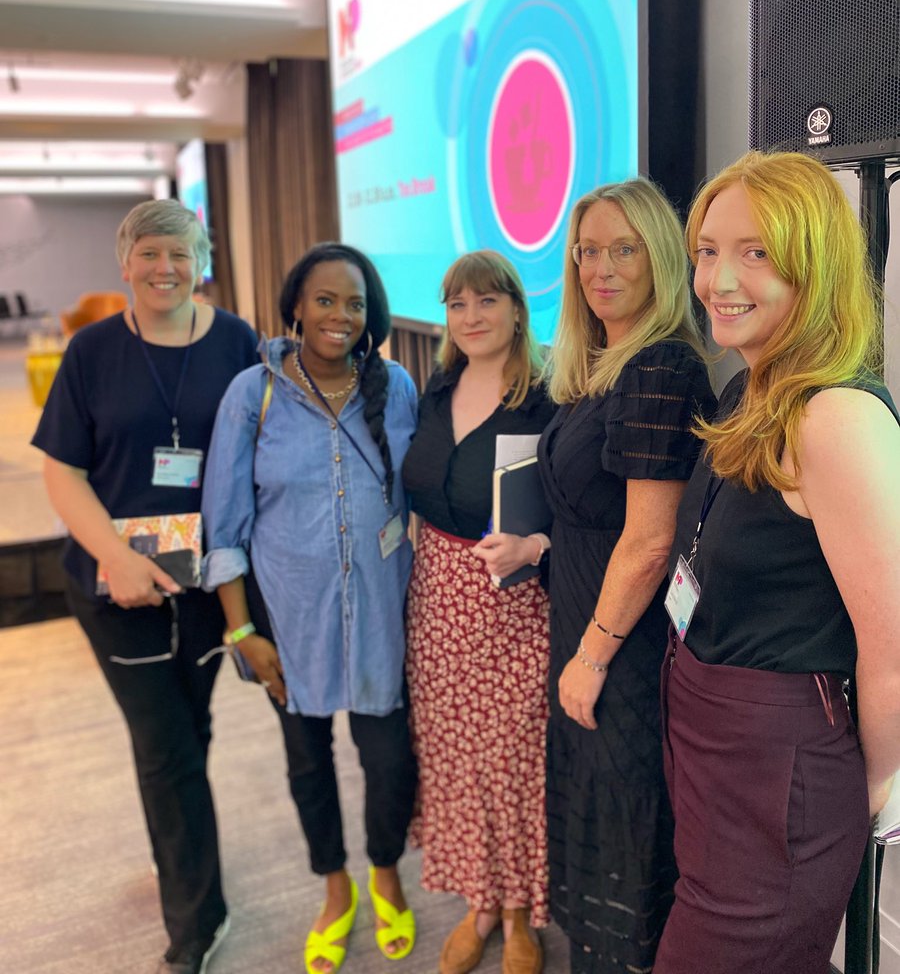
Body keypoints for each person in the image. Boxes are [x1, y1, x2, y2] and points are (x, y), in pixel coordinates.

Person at [654, 152, 900, 974]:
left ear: (814, 264)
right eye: (708, 250)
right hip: (713, 736)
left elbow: (892, 648)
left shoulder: (837, 418)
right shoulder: (749, 386)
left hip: (779, 767)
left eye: (756, 253)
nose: (720, 277)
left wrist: (871, 793)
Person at [32, 199, 259, 974]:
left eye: (182, 253)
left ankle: (180, 856)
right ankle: (198, 921)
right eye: (151, 253)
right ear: (125, 262)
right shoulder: (92, 350)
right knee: (163, 746)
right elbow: (61, 471)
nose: (166, 268)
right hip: (111, 584)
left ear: (203, 261)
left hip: (204, 584)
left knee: (189, 734)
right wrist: (117, 557)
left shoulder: (236, 342)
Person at [201, 242, 419, 974]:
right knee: (307, 761)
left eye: (354, 304)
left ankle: (385, 871)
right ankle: (335, 887)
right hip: (288, 621)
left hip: (383, 617)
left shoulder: (395, 385)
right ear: (296, 305)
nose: (340, 316)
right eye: (325, 300)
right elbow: (223, 527)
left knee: (389, 762)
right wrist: (241, 632)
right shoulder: (250, 394)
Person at [537, 179, 715, 974]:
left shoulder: (661, 367)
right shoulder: (605, 365)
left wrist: (594, 653)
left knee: (628, 844)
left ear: (661, 258)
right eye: (586, 251)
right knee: (596, 840)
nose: (600, 268)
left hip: (625, 655)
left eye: (624, 249)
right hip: (587, 629)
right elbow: (599, 521)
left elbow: (649, 544)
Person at [402, 250, 556, 974]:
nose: (470, 317)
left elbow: (589, 513)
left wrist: (535, 545)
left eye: (486, 302)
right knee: (455, 760)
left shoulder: (548, 396)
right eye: (457, 304)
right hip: (436, 601)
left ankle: (522, 913)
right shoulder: (438, 388)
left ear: (518, 309)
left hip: (515, 608)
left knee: (513, 762)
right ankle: (480, 901)